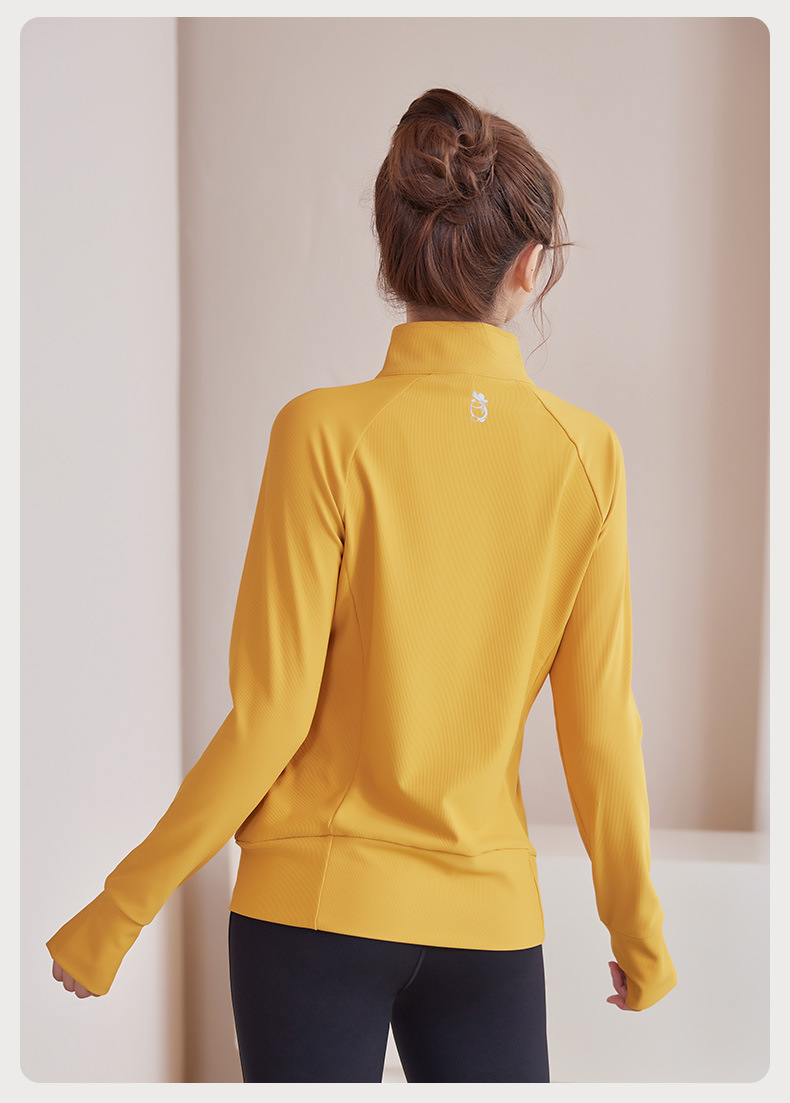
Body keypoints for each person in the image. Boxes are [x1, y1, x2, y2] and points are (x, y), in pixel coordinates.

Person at [47, 87, 677, 1082]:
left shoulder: (321, 432)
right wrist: (636, 929)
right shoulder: (587, 455)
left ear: (392, 255)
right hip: (488, 925)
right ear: (531, 266)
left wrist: (117, 912)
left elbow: (269, 717)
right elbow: (600, 725)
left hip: (309, 911)